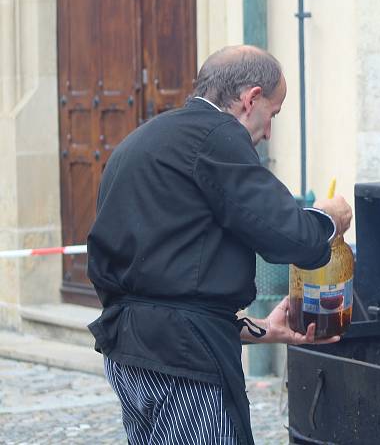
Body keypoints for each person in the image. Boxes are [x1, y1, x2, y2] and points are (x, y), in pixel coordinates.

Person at [87, 45, 352, 445]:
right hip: (182, 362)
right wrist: (329, 219)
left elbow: (170, 287)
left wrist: (265, 330)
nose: (267, 132)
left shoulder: (142, 140)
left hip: (131, 354)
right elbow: (288, 238)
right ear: (251, 99)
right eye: (273, 115)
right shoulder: (218, 135)